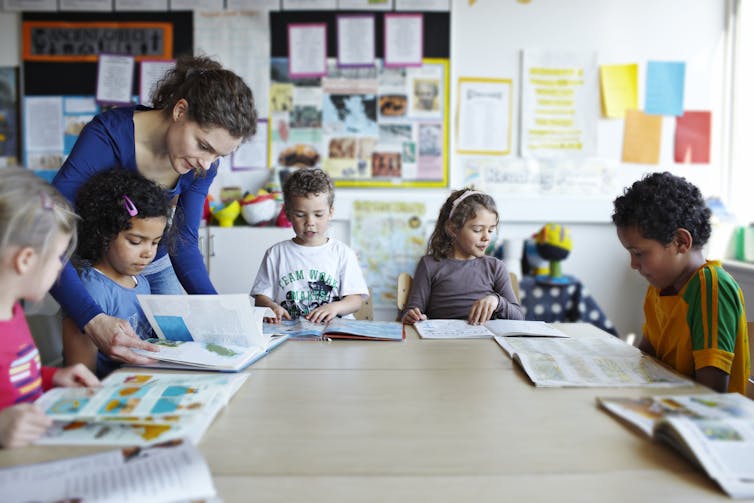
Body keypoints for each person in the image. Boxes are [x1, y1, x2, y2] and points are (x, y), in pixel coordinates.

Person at [50, 55, 257, 365]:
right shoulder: (107, 135)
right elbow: (50, 229)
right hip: (95, 260)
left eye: (218, 155)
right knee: (97, 350)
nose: (207, 164)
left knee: (174, 355)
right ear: (180, 110)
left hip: (155, 263)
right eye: (203, 145)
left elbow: (183, 240)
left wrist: (221, 314)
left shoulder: (203, 165)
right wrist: (92, 318)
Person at [612, 171, 750, 394]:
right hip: (664, 403)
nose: (633, 264)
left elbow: (711, 392)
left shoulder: (711, 288)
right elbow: (646, 357)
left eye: (638, 253)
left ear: (680, 242)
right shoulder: (660, 287)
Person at [0, 168, 99, 448]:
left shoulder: (13, 312)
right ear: (26, 260)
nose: (60, 268)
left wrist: (53, 377)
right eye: (58, 257)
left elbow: (15, 380)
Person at [63, 169, 171, 378]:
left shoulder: (140, 280)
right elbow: (81, 373)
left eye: (155, 242)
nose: (148, 252)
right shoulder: (91, 290)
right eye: (135, 242)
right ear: (104, 233)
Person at [252, 168, 368, 323]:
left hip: (334, 336)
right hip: (290, 335)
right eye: (300, 215)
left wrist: (335, 308)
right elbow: (260, 296)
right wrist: (271, 307)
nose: (310, 222)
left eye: (318, 215)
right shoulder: (276, 254)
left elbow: (356, 300)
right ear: (288, 214)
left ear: (331, 213)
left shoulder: (342, 253)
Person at [401, 188, 524, 325]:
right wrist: (412, 316)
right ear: (453, 229)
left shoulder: (495, 267)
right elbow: (411, 311)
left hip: (485, 344)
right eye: (477, 230)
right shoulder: (430, 264)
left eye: (490, 230)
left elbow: (519, 318)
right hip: (441, 343)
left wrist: (497, 301)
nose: (487, 237)